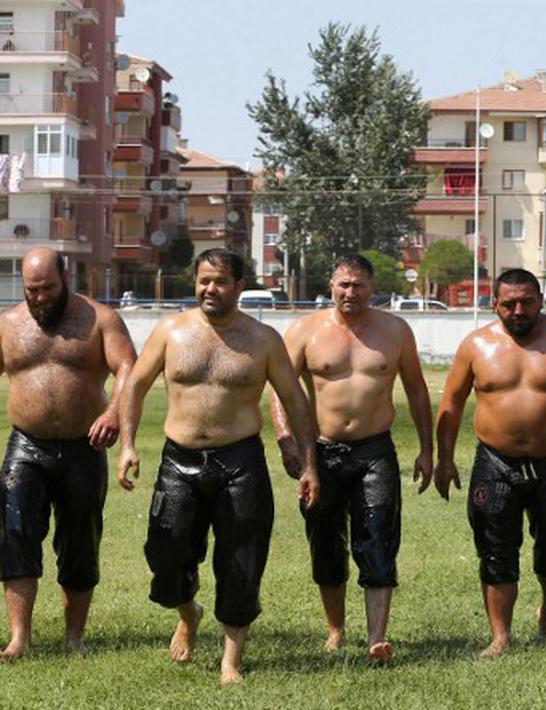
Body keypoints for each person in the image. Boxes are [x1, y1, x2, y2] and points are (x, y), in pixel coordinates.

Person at [117, 248, 321, 684]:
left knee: (242, 561)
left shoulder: (263, 340)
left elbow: (295, 401)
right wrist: (128, 445)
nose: (210, 288)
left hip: (240, 462)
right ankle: (188, 612)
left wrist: (309, 464)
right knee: (166, 555)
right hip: (179, 460)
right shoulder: (171, 331)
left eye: (221, 281)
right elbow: (134, 384)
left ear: (239, 286)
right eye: (204, 280)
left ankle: (231, 660)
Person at [270, 254, 433, 663]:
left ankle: (377, 638)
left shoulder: (394, 330)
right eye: (343, 284)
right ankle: (335, 630)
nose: (350, 292)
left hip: (374, 450)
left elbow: (416, 389)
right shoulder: (305, 330)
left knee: (378, 538)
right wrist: (287, 441)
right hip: (320, 452)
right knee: (325, 543)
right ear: (331, 285)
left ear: (371, 287)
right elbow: (281, 391)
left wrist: (427, 449)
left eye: (358, 285)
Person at [436, 269, 546, 658]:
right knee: (495, 548)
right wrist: (444, 459)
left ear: (540, 300)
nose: (519, 310)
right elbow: (452, 402)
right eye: (509, 303)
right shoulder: (476, 345)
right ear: (494, 304)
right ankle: (500, 635)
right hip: (495, 462)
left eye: (527, 302)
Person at [0, 249, 137, 659]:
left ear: (66, 279)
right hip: (27, 445)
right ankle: (20, 639)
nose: (40, 297)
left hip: (84, 447)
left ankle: (74, 637)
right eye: (32, 290)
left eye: (48, 288)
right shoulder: (8, 324)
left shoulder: (100, 320)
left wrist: (113, 412)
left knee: (80, 541)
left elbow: (128, 367)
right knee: (15, 534)